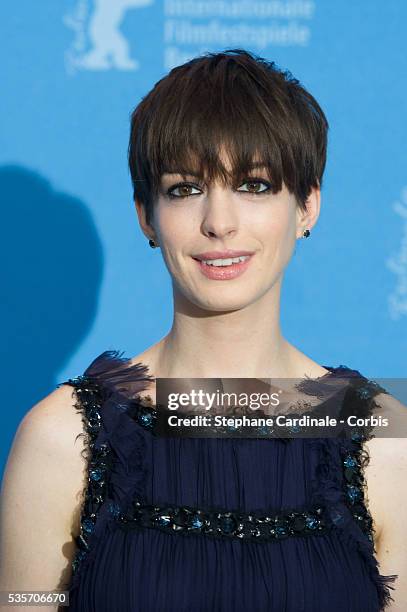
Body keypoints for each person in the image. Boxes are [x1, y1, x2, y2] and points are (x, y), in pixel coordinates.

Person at [0, 48, 405, 612]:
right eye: (185, 188)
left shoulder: (384, 439)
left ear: (308, 205)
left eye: (255, 185)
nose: (219, 222)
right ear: (146, 213)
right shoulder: (61, 439)